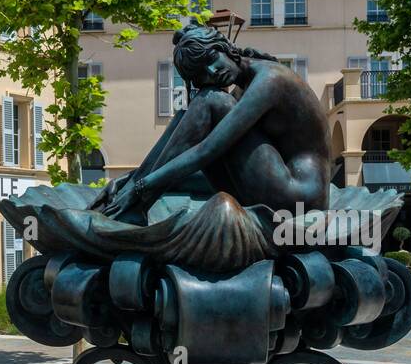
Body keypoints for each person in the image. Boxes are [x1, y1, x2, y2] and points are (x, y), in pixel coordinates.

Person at [94, 25, 329, 225]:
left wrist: (142, 188)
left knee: (211, 99)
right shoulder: (241, 90)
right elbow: (206, 159)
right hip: (275, 191)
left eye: (211, 60)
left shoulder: (270, 80)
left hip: (300, 200)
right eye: (202, 74)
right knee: (188, 112)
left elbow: (207, 150)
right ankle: (131, 202)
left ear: (225, 47)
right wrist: (130, 179)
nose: (213, 72)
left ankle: (135, 206)